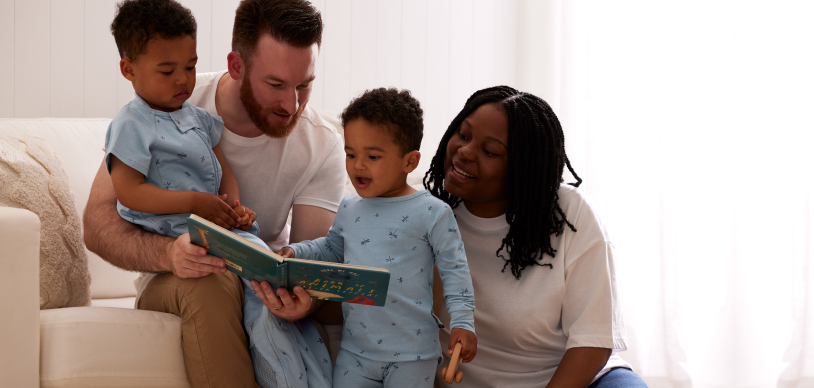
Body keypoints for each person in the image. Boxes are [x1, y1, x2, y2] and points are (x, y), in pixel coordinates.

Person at [84, 1, 345, 387]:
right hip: (175, 273)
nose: (292, 105)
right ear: (236, 66)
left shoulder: (321, 144)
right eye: (275, 84)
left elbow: (309, 259)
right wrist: (169, 254)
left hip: (256, 268)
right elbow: (98, 223)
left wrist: (307, 298)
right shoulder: (166, 104)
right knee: (211, 275)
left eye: (304, 84)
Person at [426, 86, 648, 387]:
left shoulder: (569, 214)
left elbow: (592, 340)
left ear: (523, 169)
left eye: (489, 151)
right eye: (463, 136)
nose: (464, 152)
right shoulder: (424, 216)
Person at [277, 88, 477, 388]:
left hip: (413, 354)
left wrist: (463, 322)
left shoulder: (433, 212)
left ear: (409, 162)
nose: (358, 165)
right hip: (356, 351)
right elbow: (332, 249)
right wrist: (297, 252)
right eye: (350, 154)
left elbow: (455, 271)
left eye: (372, 156)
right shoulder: (349, 207)